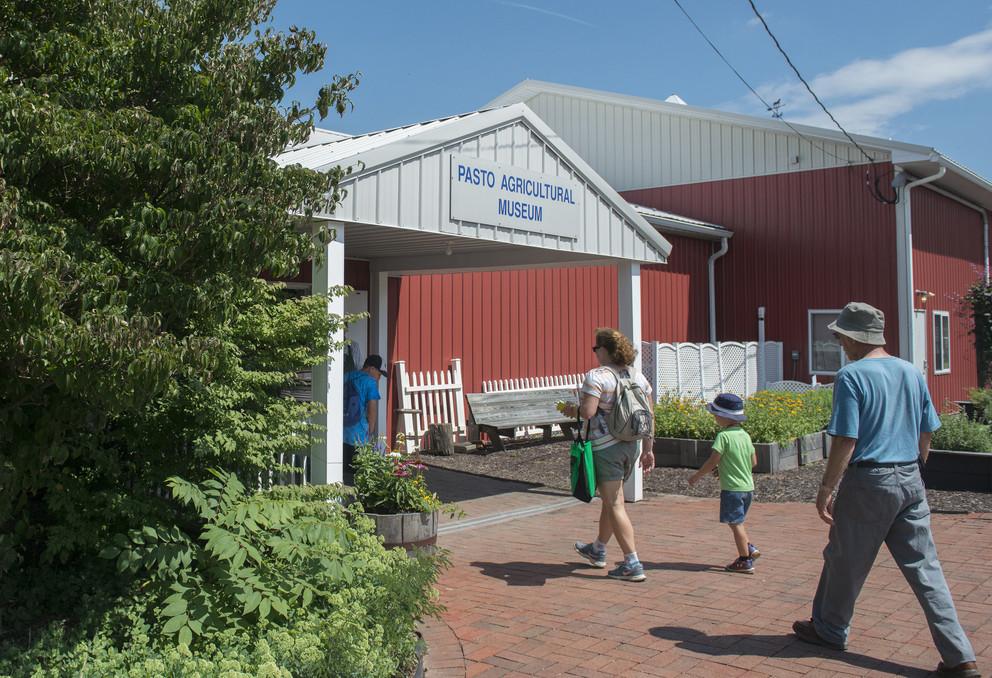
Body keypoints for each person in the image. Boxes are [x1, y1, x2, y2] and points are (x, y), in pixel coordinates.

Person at [792, 302, 979, 678]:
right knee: (926, 570)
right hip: (910, 478)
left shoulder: (852, 375)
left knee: (845, 559)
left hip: (869, 480)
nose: (839, 341)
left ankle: (829, 629)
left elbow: (846, 438)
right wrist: (913, 467)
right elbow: (927, 430)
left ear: (855, 337)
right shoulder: (911, 372)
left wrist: (826, 488)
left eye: (841, 335)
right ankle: (960, 656)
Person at [565, 327, 655, 582]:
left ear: (604, 350)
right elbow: (648, 416)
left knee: (615, 504)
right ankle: (598, 550)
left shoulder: (597, 377)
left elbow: (588, 413)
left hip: (605, 448)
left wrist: (574, 408)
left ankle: (632, 563)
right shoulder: (637, 376)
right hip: (631, 445)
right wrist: (648, 449)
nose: (595, 353)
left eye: (596, 348)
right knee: (610, 500)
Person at [688, 393, 761, 574]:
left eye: (715, 415)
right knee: (737, 521)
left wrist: (697, 476)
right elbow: (754, 462)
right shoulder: (745, 435)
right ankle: (749, 547)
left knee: (735, 523)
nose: (714, 418)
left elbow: (713, 460)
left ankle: (745, 560)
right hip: (748, 488)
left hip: (732, 489)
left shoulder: (723, 436)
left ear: (723, 417)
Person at [342, 354, 388, 475]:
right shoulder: (370, 382)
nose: (379, 378)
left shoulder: (346, 376)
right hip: (359, 437)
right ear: (371, 368)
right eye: (379, 374)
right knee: (357, 476)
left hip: (340, 435)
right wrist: (371, 430)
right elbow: (372, 409)